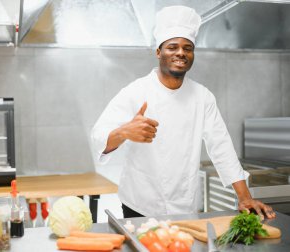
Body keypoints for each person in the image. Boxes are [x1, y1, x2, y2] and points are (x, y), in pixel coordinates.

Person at [91, 5, 275, 220]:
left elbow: (221, 146)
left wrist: (244, 197)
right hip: (139, 204)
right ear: (159, 52)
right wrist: (123, 132)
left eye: (188, 48)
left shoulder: (203, 97)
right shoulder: (135, 91)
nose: (181, 52)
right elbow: (98, 136)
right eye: (172, 46)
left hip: (185, 205)